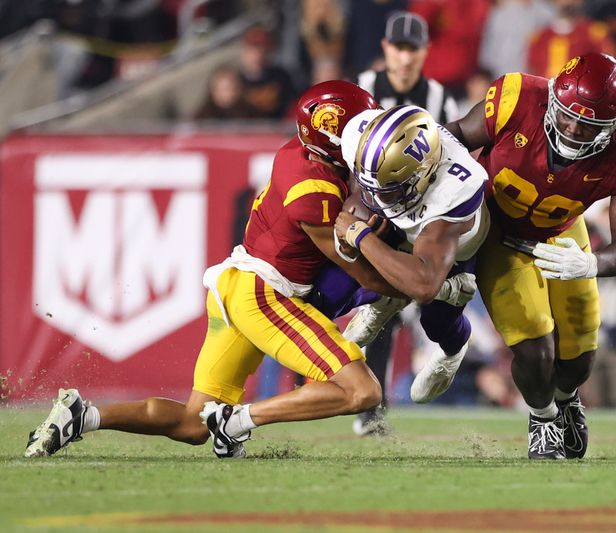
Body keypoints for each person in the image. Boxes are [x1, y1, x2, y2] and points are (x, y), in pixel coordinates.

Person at [24, 81, 404, 460]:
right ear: (329, 138)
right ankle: (237, 420)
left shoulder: (303, 153)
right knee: (361, 390)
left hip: (238, 286)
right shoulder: (314, 190)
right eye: (359, 126)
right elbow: (361, 273)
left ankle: (82, 416)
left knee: (193, 424)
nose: (367, 133)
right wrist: (424, 284)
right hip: (264, 293)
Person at [446, 53, 616, 459]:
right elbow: (454, 135)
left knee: (578, 359)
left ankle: (566, 400)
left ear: (614, 126)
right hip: (499, 233)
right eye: (566, 115)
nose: (574, 128)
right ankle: (542, 419)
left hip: (562, 235)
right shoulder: (515, 98)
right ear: (552, 99)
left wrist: (593, 263)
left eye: (589, 124)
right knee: (534, 347)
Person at [309, 104, 488, 435]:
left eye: (388, 188)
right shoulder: (364, 140)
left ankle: (452, 351)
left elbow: (423, 284)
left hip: (452, 249)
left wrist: (359, 236)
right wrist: (352, 235)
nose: (377, 196)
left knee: (437, 320)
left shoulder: (453, 193)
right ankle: (383, 299)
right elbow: (361, 186)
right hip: (407, 227)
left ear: (423, 174)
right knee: (327, 290)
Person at [351, 10, 460, 434]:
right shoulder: (362, 89)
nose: (405, 57)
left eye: (413, 48)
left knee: (389, 309)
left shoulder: (439, 98)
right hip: (366, 211)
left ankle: (371, 408)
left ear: (425, 52)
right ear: (385, 49)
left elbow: (451, 156)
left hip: (416, 219)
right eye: (399, 47)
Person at [356, 11, 459, 125]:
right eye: (399, 48)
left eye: (413, 49)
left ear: (426, 49)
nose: (406, 60)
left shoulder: (442, 101)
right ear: (385, 46)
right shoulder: (359, 89)